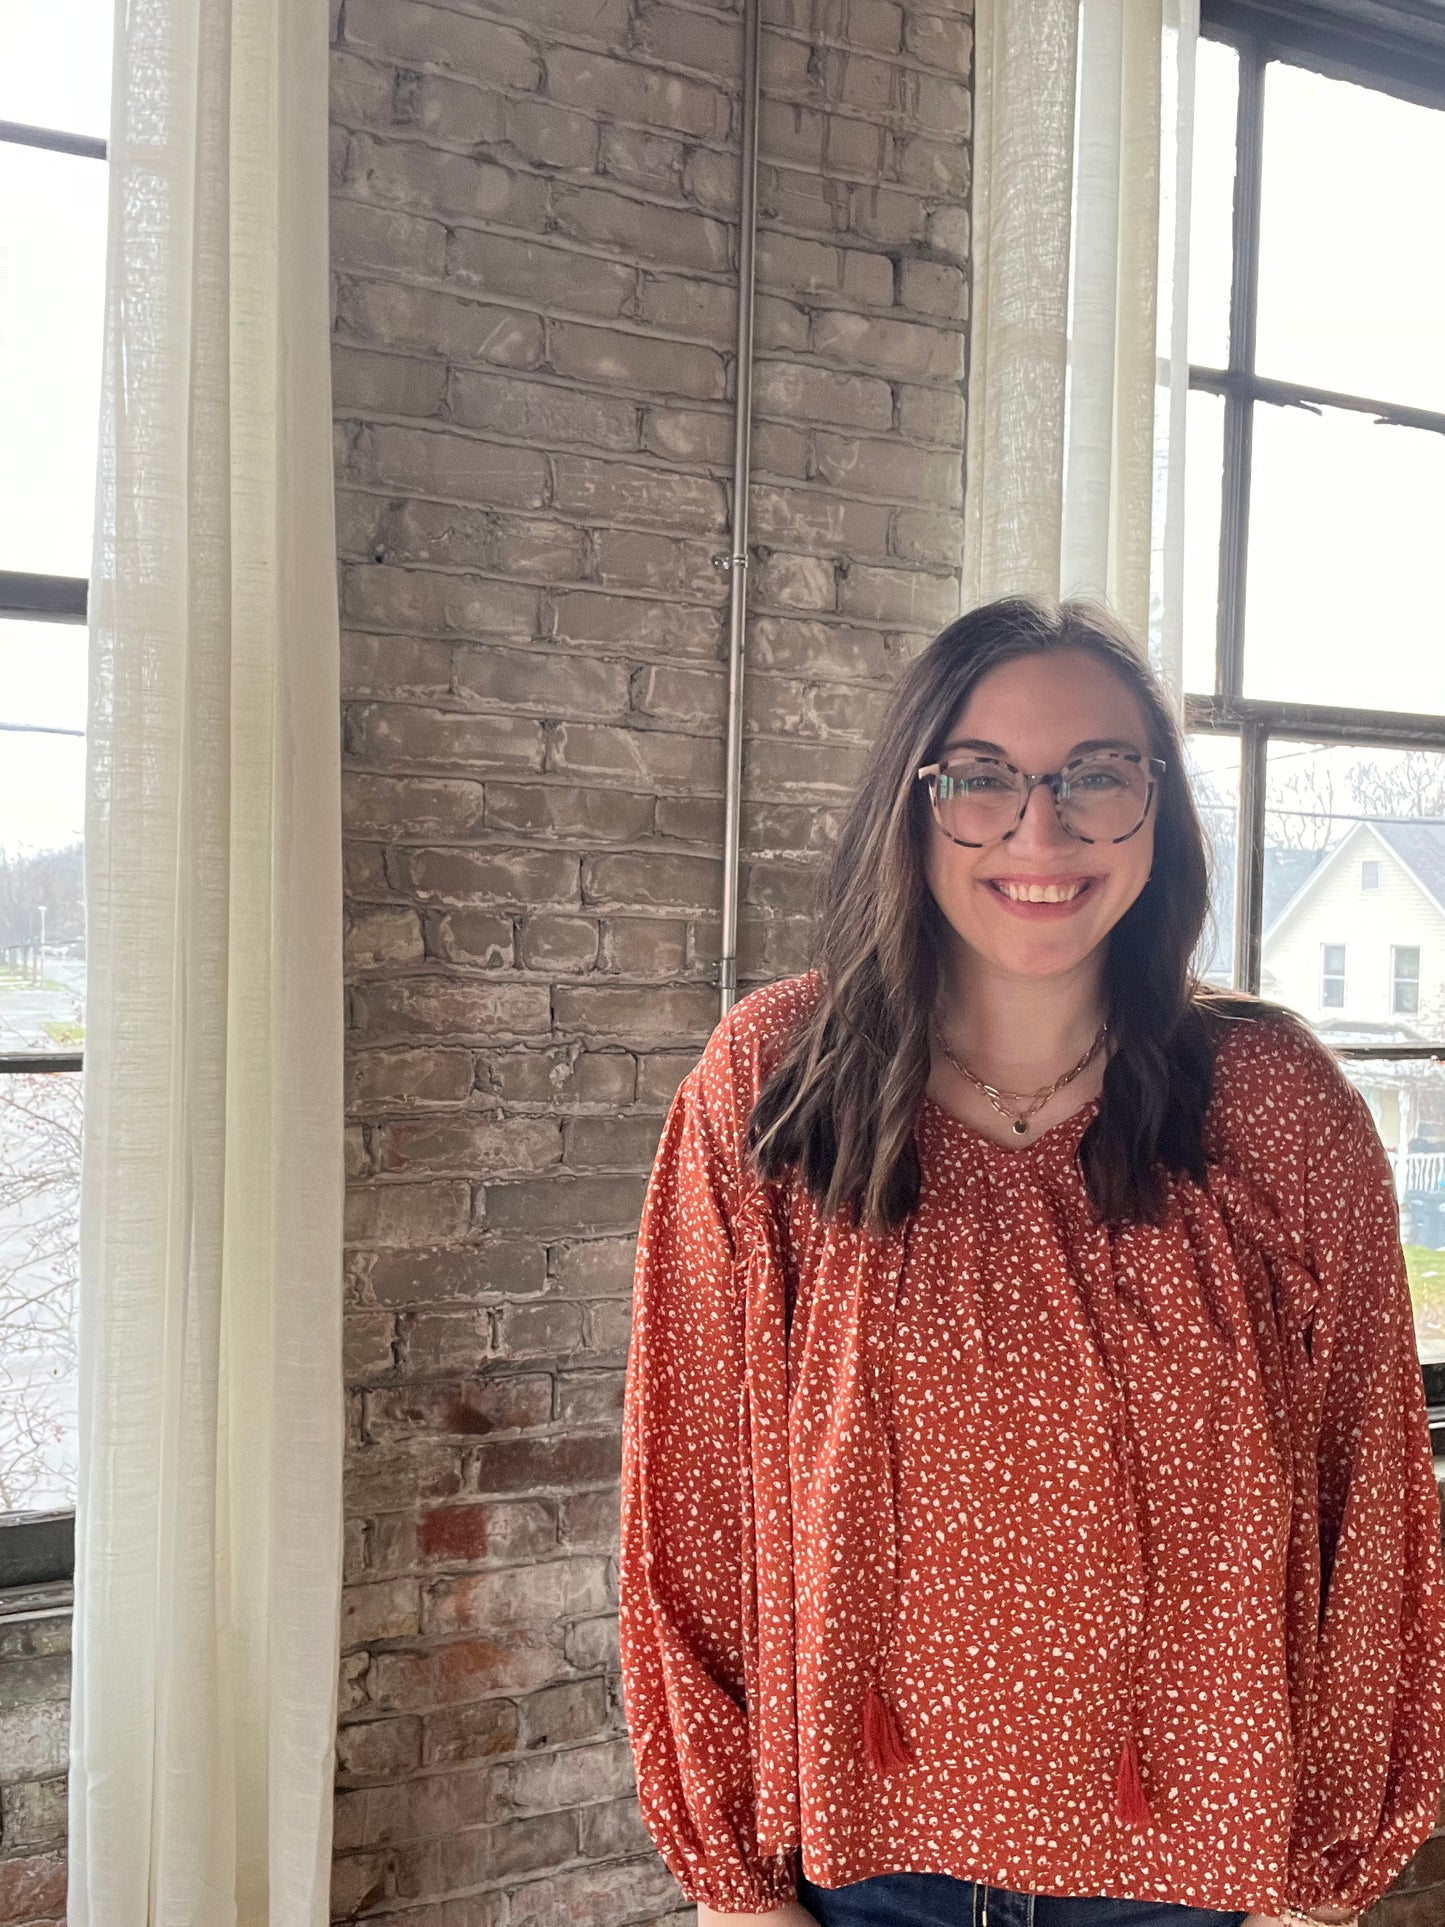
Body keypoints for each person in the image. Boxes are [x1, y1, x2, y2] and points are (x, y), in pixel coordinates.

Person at [617, 595, 1445, 1927]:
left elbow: (1373, 1508)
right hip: (866, 1870)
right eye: (982, 779)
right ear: (913, 797)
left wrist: (1320, 1884)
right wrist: (732, 1886)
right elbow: (693, 1504)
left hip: (1193, 1879)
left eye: (1094, 778)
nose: (1039, 831)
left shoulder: (1276, 1104)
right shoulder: (773, 1082)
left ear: (1157, 806)